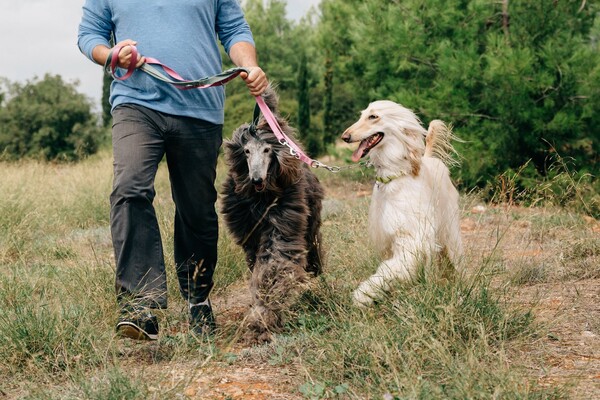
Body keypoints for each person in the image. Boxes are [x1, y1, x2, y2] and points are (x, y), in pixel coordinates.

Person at [78, 0, 268, 340]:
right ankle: (141, 304)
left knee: (197, 208)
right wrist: (110, 55)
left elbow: (234, 30)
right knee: (129, 188)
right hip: (136, 103)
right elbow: (89, 35)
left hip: (200, 109)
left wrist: (250, 67)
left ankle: (198, 298)